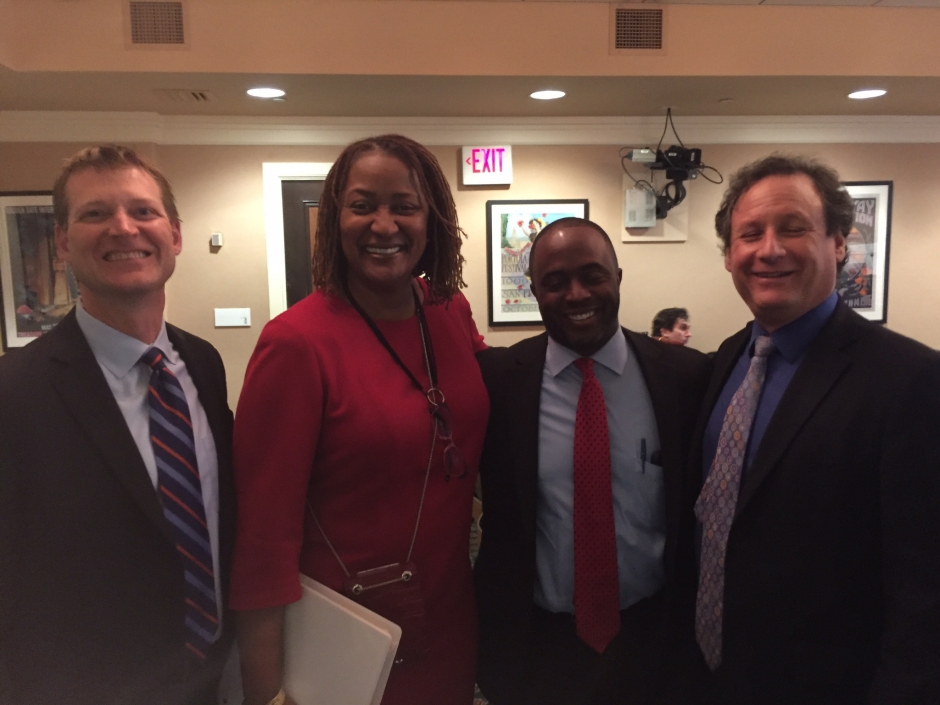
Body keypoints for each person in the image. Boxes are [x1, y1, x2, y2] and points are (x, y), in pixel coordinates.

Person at [230, 134, 488, 705]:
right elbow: (262, 542)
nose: (384, 224)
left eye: (404, 205)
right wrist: (267, 692)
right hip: (348, 634)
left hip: (448, 622)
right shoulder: (296, 344)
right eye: (362, 205)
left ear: (433, 220)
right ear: (335, 218)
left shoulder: (450, 311)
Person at [691, 154, 940, 703]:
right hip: (714, 677)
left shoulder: (912, 380)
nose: (769, 249)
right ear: (730, 256)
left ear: (840, 242)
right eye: (749, 234)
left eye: (794, 228)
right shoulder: (728, 360)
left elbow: (924, 587)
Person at [0, 145, 235, 705]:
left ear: (174, 235)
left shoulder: (204, 364)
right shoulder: (13, 392)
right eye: (95, 213)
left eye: (143, 211)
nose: (123, 228)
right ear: (61, 241)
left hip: (213, 678)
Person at [475, 218, 711, 705]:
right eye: (555, 282)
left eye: (593, 275)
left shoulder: (687, 379)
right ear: (534, 290)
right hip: (537, 646)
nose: (577, 294)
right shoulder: (498, 382)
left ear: (618, 276)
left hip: (655, 640)